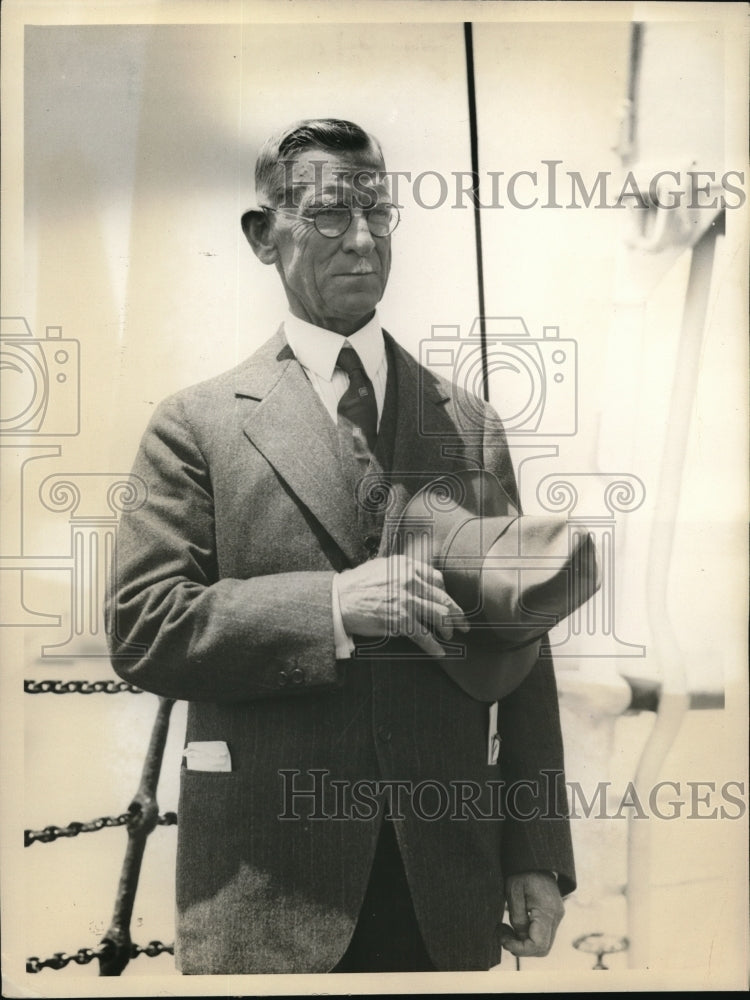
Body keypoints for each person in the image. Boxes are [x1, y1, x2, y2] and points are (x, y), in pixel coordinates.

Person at [107, 118, 575, 974]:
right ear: (263, 235)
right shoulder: (194, 426)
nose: (362, 239)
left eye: (378, 212)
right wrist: (331, 607)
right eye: (328, 214)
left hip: (445, 891)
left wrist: (534, 851)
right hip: (265, 896)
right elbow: (143, 626)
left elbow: (522, 645)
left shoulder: (470, 425)